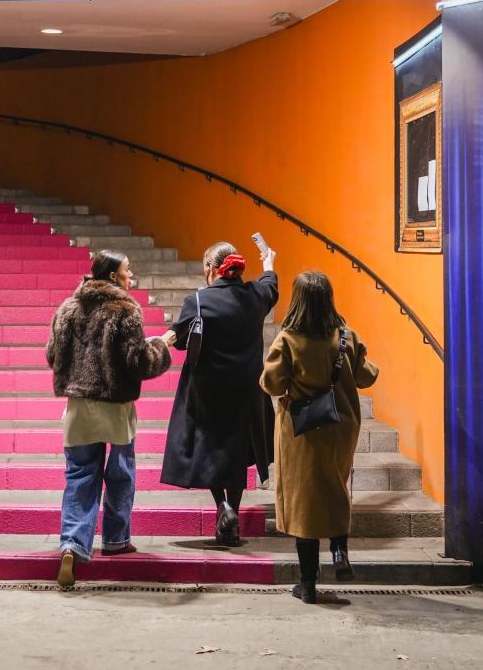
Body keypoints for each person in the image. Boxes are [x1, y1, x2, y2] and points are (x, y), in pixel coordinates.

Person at [44, 250, 173, 587]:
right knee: (120, 474)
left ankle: (72, 545)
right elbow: (139, 362)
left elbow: (52, 355)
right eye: (128, 270)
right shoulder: (125, 311)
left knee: (79, 476)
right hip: (115, 409)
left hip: (79, 408)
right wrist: (162, 345)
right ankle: (116, 540)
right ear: (114, 276)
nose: (132, 277)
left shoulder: (68, 309)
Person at [260, 271, 375, 604]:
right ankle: (340, 552)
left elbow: (271, 384)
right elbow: (366, 376)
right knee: (335, 487)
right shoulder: (346, 336)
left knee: (304, 504)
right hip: (341, 426)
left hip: (303, 431)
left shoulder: (288, 340)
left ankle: (307, 584)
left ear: (298, 301)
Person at [160, 239, 279, 545]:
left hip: (208, 390)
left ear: (210, 269)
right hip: (247, 390)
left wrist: (163, 340)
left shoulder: (199, 301)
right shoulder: (256, 295)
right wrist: (268, 263)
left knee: (211, 450)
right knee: (237, 453)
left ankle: (222, 507)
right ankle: (232, 515)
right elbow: (271, 286)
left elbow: (181, 338)